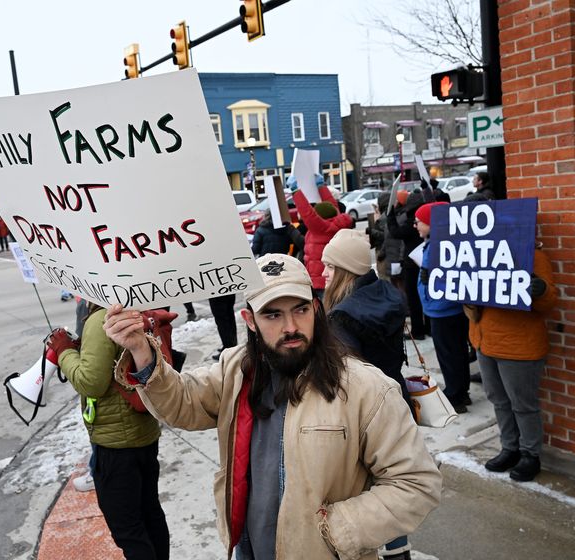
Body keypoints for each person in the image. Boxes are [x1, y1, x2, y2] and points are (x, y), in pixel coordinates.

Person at [103, 253, 442, 560]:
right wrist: (142, 353)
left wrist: (339, 528)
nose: (290, 327)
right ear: (250, 320)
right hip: (249, 549)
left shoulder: (366, 388)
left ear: (317, 309)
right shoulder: (236, 370)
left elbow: (415, 482)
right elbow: (182, 403)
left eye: (300, 309)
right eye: (273, 314)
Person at [46, 304, 170, 560]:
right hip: (144, 433)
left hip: (116, 444)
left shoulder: (102, 319)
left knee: (128, 528)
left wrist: (64, 351)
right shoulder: (137, 305)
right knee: (150, 514)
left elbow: (91, 382)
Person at [321, 230, 414, 560]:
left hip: (367, 413)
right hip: (396, 399)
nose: (323, 274)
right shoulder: (386, 293)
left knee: (368, 488)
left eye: (329, 268)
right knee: (393, 482)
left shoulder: (342, 318)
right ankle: (399, 549)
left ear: (346, 271)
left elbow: (346, 382)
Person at [468, 241, 557, 482]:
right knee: (498, 399)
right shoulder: (473, 256)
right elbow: (468, 303)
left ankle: (530, 454)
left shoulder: (534, 256)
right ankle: (510, 447)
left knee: (523, 403)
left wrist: (540, 290)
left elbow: (549, 302)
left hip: (518, 346)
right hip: (484, 341)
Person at [415, 202, 471, 413]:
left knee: (449, 354)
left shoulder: (440, 244)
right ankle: (461, 391)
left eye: (419, 221)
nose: (416, 225)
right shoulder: (444, 241)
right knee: (457, 351)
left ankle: (455, 394)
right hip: (446, 307)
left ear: (432, 223)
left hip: (442, 308)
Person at [289, 174, 354, 298]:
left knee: (325, 313)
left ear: (318, 217)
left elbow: (307, 212)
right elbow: (332, 205)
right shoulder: (338, 222)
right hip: (336, 277)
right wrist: (321, 186)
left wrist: (295, 191)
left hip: (321, 281)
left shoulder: (320, 228)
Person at [387, 191, 429, 339]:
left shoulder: (411, 221)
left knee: (413, 298)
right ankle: (428, 327)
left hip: (412, 264)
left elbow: (395, 232)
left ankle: (418, 331)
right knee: (425, 295)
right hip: (423, 261)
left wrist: (389, 215)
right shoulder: (425, 218)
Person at [208, 294, 237, 361]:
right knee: (230, 316)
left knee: (222, 321)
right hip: (228, 292)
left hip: (217, 295)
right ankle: (232, 343)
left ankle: (228, 347)